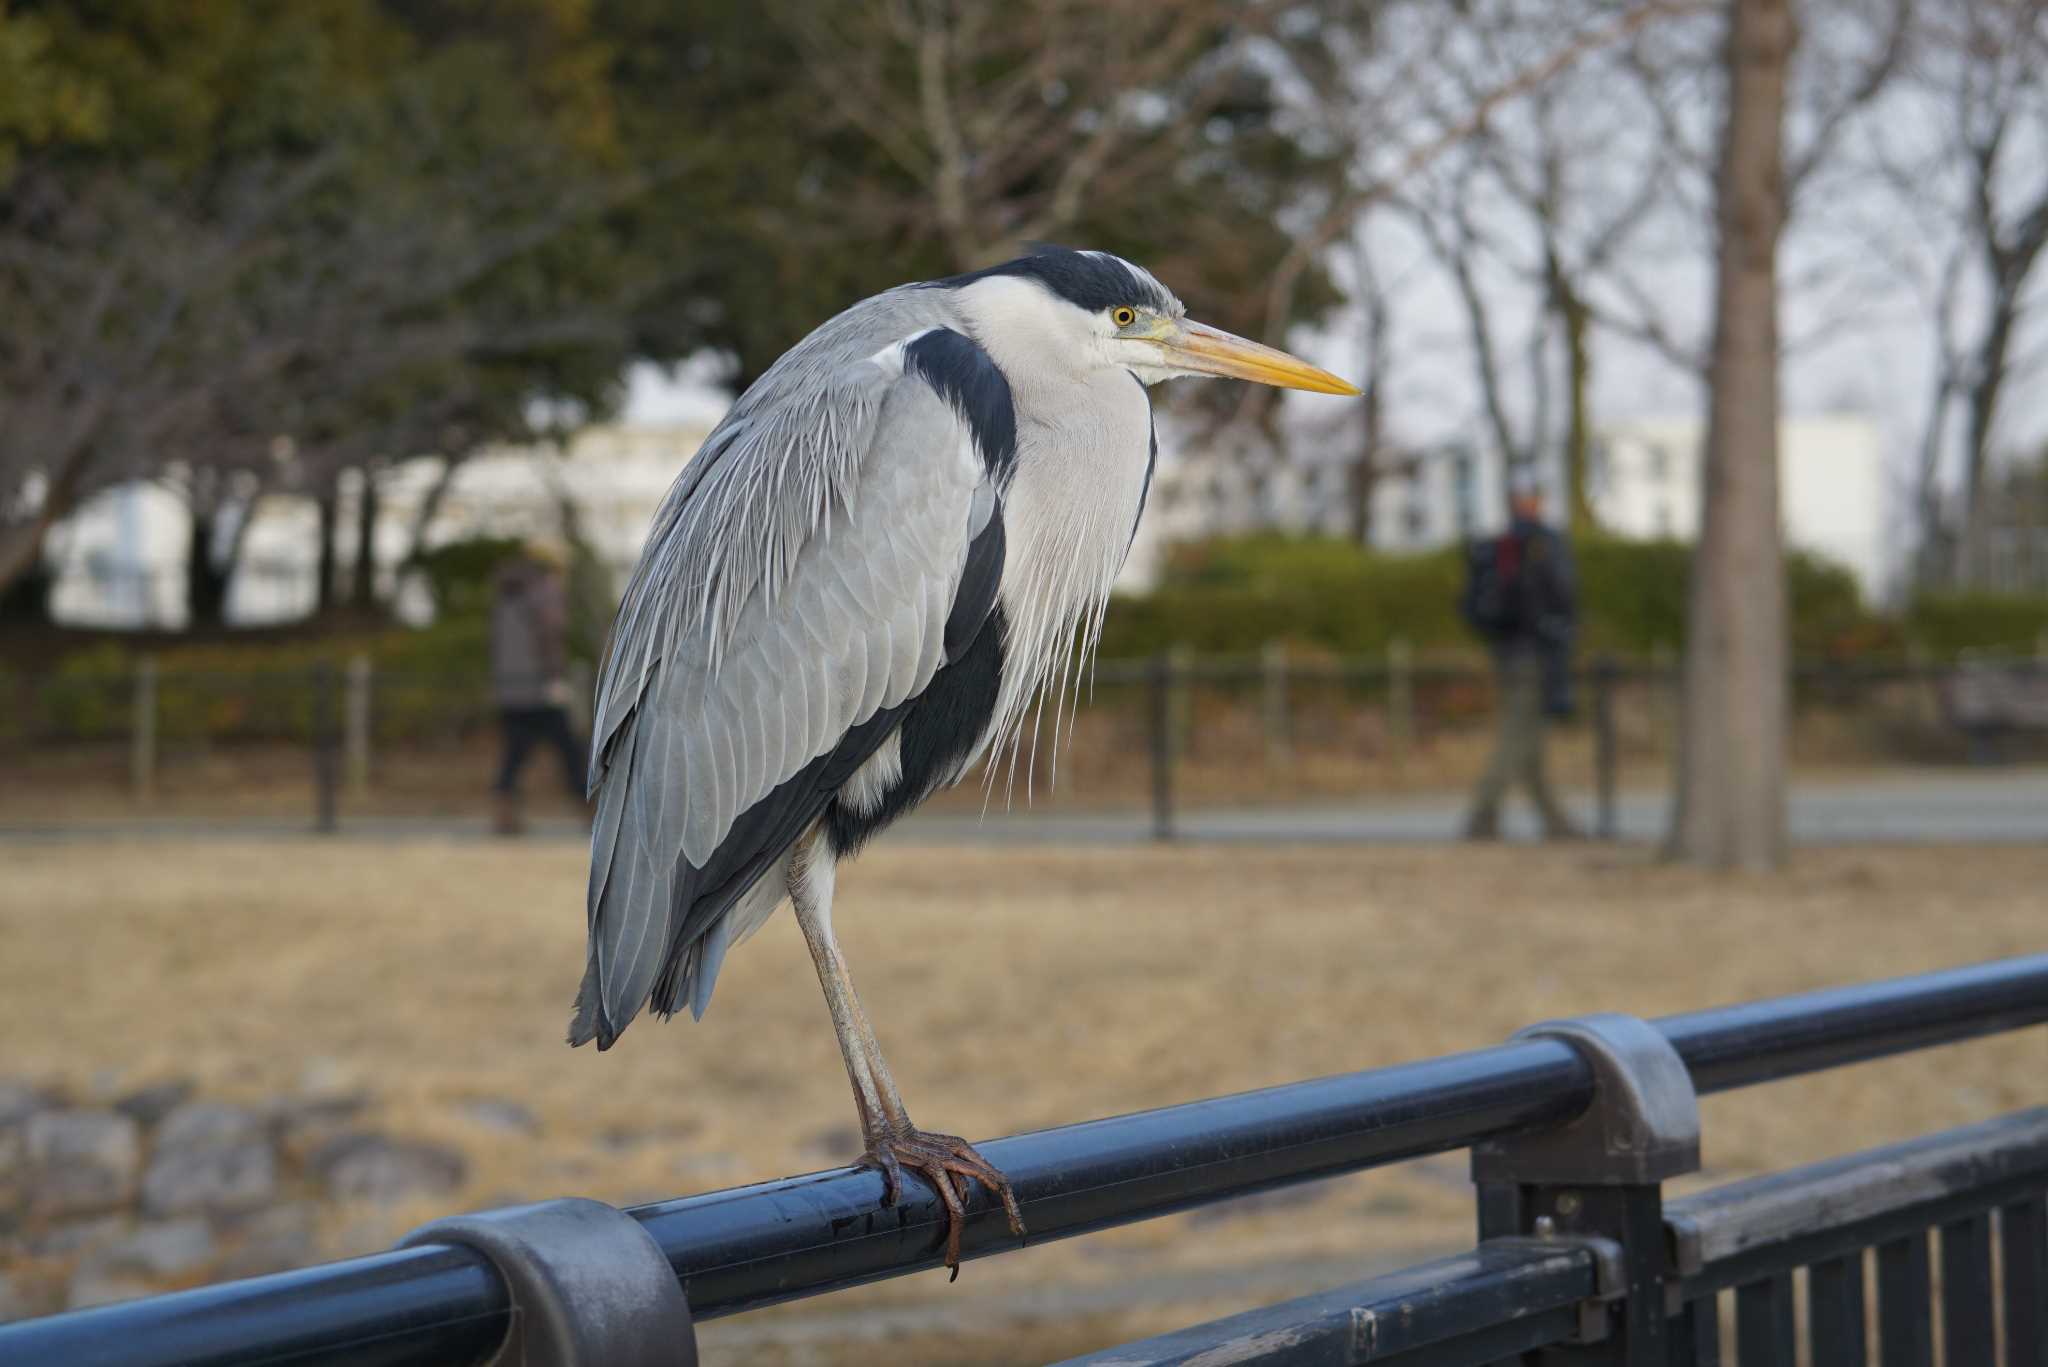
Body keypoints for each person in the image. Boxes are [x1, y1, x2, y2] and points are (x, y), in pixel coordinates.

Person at [1459, 484, 1583, 840]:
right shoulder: (1540, 545)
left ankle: (1555, 821)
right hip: (1535, 654)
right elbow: (1562, 597)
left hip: (1508, 652)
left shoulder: (1501, 546)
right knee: (1518, 737)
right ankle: (1483, 815)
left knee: (1531, 740)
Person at [489, 541, 586, 835]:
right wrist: (555, 679)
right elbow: (550, 637)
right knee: (571, 750)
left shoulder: (506, 594)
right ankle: (592, 811)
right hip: (540, 689)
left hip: (509, 689)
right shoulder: (546, 592)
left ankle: (504, 812)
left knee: (515, 753)